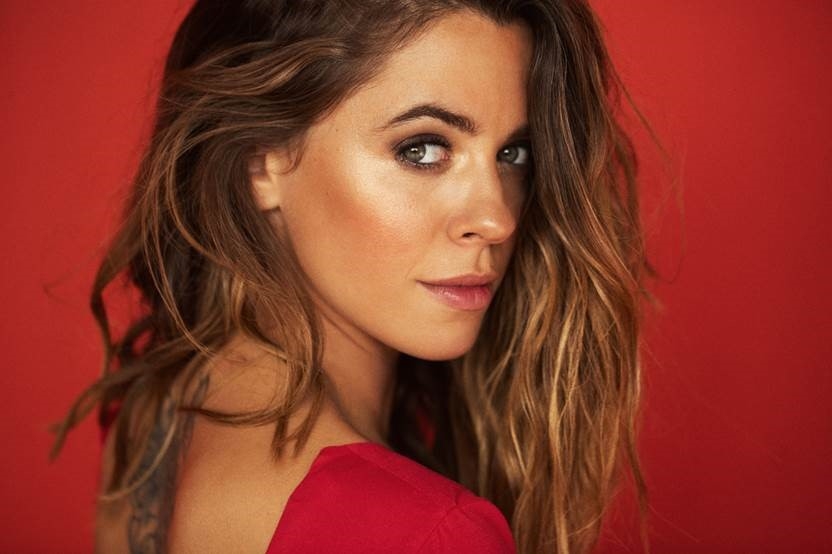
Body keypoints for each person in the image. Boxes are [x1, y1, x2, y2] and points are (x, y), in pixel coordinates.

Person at [53, 0, 650, 552]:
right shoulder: (427, 533)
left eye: (514, 154)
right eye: (422, 150)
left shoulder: (155, 410)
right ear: (261, 162)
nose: (496, 219)